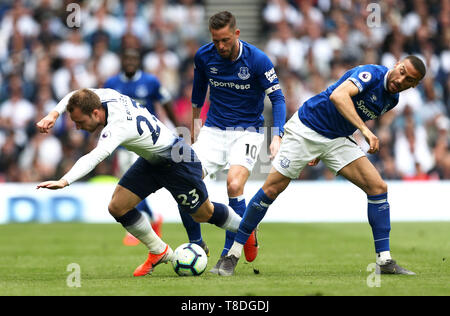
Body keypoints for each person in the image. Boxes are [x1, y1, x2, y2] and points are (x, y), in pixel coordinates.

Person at [219, 55, 427, 276]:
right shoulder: (371, 74)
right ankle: (232, 254)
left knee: (378, 187)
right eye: (402, 71)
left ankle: (384, 261)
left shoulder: (392, 100)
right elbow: (339, 96)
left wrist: (323, 150)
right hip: (307, 128)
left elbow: (348, 115)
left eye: (408, 79)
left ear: (413, 85)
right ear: (396, 65)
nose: (401, 79)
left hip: (336, 139)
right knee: (271, 189)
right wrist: (364, 131)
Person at [35, 88, 244, 277]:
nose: (78, 127)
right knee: (117, 206)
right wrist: (53, 114)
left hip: (176, 159)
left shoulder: (117, 127)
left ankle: (246, 229)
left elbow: (94, 157)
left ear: (95, 113)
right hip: (152, 160)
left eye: (80, 122)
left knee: (202, 214)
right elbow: (74, 95)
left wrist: (65, 180)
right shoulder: (105, 95)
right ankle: (159, 251)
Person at [183, 11, 287, 273]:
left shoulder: (258, 60)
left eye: (226, 40)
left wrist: (277, 135)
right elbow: (198, 91)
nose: (221, 46)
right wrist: (195, 124)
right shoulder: (204, 56)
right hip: (214, 130)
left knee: (234, 183)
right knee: (184, 181)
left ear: (237, 34)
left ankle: (229, 255)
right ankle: (197, 243)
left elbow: (278, 99)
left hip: (247, 132)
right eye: (216, 40)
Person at [103, 48, 178, 246]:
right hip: (121, 143)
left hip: (144, 142)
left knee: (131, 183)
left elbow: (167, 102)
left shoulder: (150, 82)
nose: (129, 62)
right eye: (126, 58)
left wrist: (179, 128)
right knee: (126, 183)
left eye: (133, 58)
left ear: (138, 62)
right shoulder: (112, 84)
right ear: (121, 61)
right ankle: (151, 219)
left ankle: (143, 222)